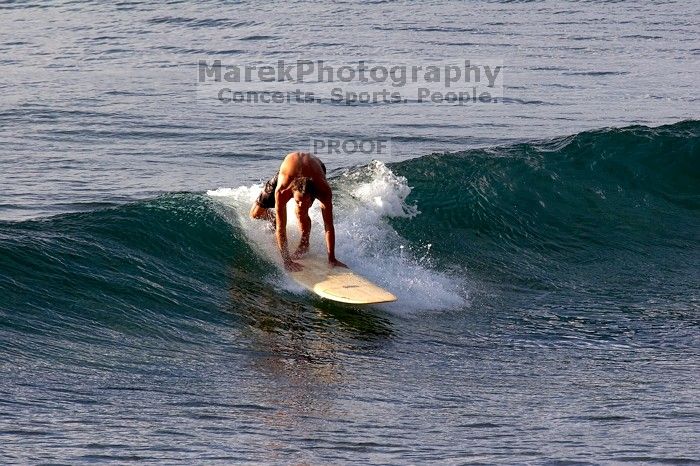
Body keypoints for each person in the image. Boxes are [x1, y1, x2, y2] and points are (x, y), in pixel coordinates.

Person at [250, 152, 347, 271]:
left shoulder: (323, 190)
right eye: (297, 201)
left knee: (301, 211)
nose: (300, 204)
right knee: (255, 214)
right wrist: (287, 261)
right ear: (291, 193)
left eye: (305, 202)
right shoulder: (282, 191)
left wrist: (331, 258)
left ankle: (304, 243)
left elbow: (328, 225)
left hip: (317, 168)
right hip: (288, 171)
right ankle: (275, 217)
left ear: (313, 196)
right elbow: (281, 228)